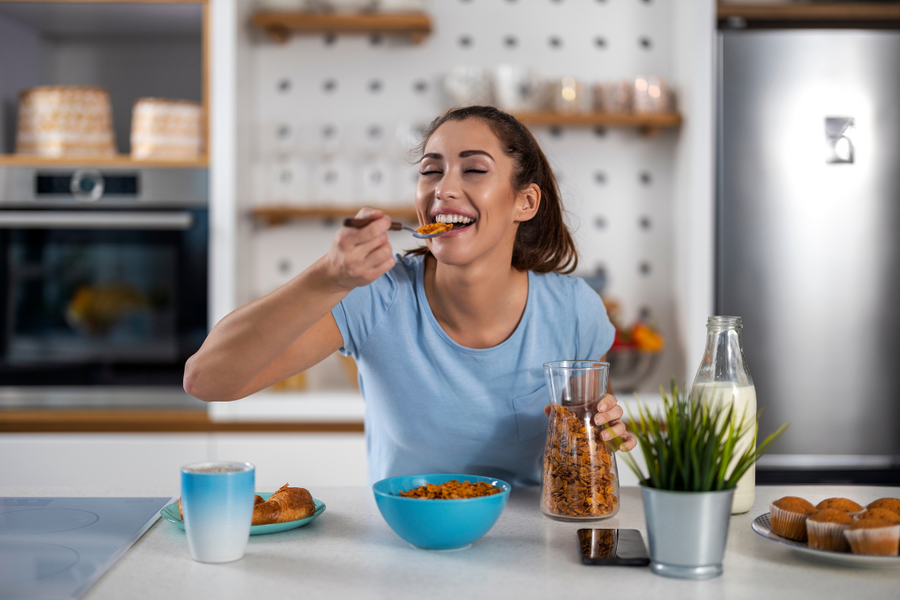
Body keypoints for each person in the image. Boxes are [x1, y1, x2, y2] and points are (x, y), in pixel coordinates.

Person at [184, 105, 636, 485]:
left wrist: (605, 435)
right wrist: (329, 276)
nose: (444, 188)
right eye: (431, 171)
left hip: (532, 548)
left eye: (474, 169)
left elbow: (593, 464)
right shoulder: (374, 296)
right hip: (404, 546)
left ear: (526, 202)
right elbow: (206, 381)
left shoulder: (575, 311)